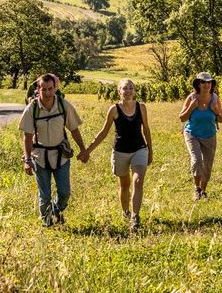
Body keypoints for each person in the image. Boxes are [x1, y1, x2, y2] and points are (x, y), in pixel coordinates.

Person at [19, 73, 88, 226]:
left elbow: (74, 129)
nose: (48, 93)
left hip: (61, 156)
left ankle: (56, 211)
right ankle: (47, 225)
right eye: (44, 89)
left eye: (51, 89)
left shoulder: (63, 105)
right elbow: (27, 136)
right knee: (45, 197)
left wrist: (83, 149)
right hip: (40, 157)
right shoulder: (33, 108)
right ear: (38, 89)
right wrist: (27, 159)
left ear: (55, 88)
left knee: (64, 193)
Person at [86, 78, 153, 232]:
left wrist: (150, 150)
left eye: (131, 88)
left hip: (139, 149)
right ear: (119, 91)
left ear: (135, 91)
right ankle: (126, 212)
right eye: (125, 88)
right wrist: (88, 150)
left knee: (138, 181)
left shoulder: (141, 107)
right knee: (125, 185)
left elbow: (146, 129)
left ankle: (135, 217)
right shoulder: (114, 110)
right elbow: (104, 133)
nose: (128, 91)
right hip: (121, 151)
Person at [179, 72, 222, 200]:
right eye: (203, 82)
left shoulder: (214, 98)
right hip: (192, 133)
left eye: (209, 82)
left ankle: (203, 191)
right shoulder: (192, 97)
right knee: (197, 159)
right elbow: (182, 117)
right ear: (198, 84)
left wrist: (216, 111)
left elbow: (221, 119)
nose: (206, 85)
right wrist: (191, 108)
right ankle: (197, 188)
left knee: (208, 165)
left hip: (210, 135)